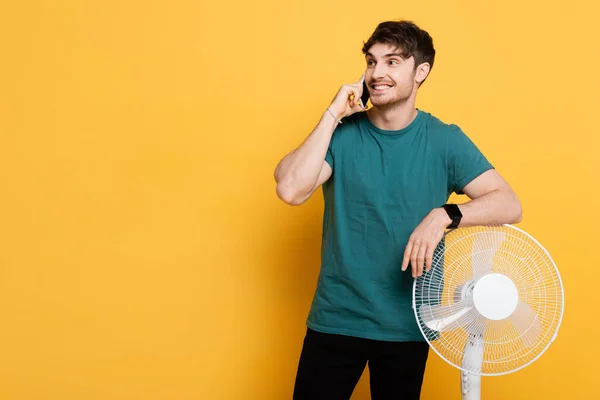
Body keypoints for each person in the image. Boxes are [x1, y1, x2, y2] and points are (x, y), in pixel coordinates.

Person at [274, 20, 522, 400]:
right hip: (337, 320)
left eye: (392, 62)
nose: (377, 73)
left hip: (407, 326)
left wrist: (444, 215)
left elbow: (509, 203)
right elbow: (291, 189)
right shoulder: (343, 134)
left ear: (420, 72)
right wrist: (333, 113)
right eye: (372, 62)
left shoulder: (444, 140)